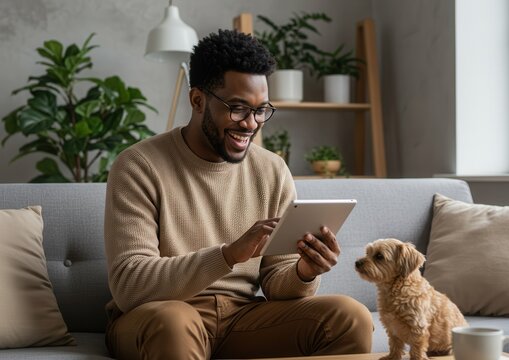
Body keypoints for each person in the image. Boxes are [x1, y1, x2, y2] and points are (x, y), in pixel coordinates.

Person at [104, 29, 373, 359]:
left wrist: (305, 271)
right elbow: (131, 286)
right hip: (158, 316)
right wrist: (228, 255)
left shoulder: (272, 169)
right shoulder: (138, 165)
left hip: (241, 317)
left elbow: (276, 281)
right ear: (198, 100)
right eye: (238, 108)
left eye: (261, 110)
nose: (251, 124)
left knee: (350, 318)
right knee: (174, 322)